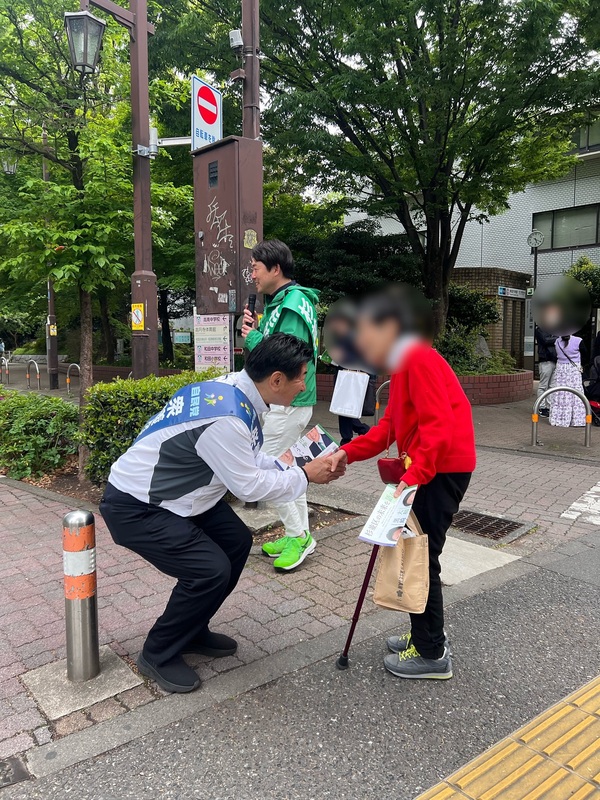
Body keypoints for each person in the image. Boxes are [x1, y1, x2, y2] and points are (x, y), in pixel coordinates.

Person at [100, 334, 345, 694]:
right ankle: (157, 653)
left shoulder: (234, 390)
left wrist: (293, 465)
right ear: (277, 379)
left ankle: (192, 629)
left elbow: (251, 459)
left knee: (236, 542)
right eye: (302, 377)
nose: (305, 386)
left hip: (183, 497)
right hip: (138, 505)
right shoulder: (227, 417)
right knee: (209, 570)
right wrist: (306, 476)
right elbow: (249, 487)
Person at [329, 286, 476, 681]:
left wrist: (412, 478)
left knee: (420, 557)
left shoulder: (416, 358)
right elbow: (389, 428)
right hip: (431, 468)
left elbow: (437, 427)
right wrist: (347, 452)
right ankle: (424, 635)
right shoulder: (403, 362)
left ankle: (431, 652)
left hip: (440, 470)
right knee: (417, 553)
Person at [242, 239, 320, 571]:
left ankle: (297, 536)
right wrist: (256, 332)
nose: (252, 275)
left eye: (256, 268)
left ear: (275, 269)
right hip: (287, 399)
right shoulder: (283, 302)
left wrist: (253, 337)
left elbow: (288, 356)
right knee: (288, 467)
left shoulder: (293, 303)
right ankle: (298, 535)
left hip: (289, 400)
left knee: (269, 467)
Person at [550, 334, 587, 427]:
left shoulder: (557, 341)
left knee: (560, 393)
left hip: (560, 370)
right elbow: (585, 356)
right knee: (576, 393)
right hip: (574, 370)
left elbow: (555, 356)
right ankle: (577, 420)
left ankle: (559, 419)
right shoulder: (578, 341)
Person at [535, 327, 557, 417]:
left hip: (555, 360)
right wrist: (558, 338)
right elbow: (545, 340)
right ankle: (541, 407)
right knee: (543, 385)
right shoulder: (541, 329)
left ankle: (549, 406)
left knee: (552, 386)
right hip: (545, 360)